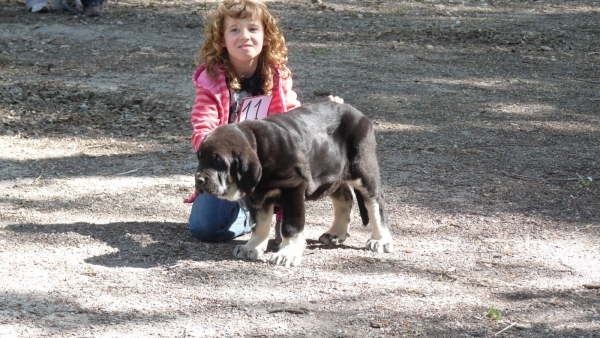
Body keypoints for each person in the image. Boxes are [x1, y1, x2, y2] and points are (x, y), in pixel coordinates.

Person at [185, 0, 341, 243]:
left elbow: (295, 121)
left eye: (252, 29)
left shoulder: (277, 76)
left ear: (266, 37)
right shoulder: (211, 80)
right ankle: (250, 217)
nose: (244, 36)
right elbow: (202, 126)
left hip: (272, 170)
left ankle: (275, 213)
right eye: (234, 29)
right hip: (231, 170)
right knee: (206, 229)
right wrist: (209, 144)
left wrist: (324, 111)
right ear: (221, 39)